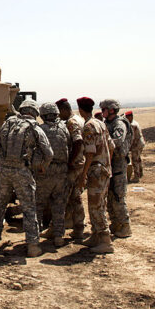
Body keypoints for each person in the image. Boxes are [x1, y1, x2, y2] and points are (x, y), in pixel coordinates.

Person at [0, 99, 53, 257]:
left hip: (3, 171)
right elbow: (49, 153)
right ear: (34, 113)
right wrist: (42, 166)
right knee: (29, 209)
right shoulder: (34, 127)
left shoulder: (7, 124)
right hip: (22, 172)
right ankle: (32, 246)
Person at [75, 97, 114, 253]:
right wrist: (106, 164)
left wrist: (83, 174)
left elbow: (89, 153)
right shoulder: (101, 124)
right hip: (104, 169)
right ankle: (96, 236)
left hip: (96, 171)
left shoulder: (89, 126)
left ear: (80, 109)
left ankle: (105, 240)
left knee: (95, 206)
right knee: (99, 204)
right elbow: (111, 146)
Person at [35, 102, 71, 248]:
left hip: (45, 171)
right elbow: (70, 146)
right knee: (59, 206)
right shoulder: (64, 129)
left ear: (42, 115)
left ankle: (34, 238)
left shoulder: (40, 130)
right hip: (62, 172)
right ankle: (59, 237)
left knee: (38, 205)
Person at [100, 99, 133, 238]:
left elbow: (117, 141)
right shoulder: (108, 123)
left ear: (111, 110)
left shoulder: (119, 124)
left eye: (104, 110)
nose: (102, 112)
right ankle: (115, 223)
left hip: (118, 164)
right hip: (110, 163)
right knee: (111, 196)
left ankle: (125, 226)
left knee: (119, 197)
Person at [55, 98, 86, 239]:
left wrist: (71, 160)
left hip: (74, 165)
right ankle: (78, 227)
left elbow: (78, 141)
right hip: (80, 164)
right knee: (76, 197)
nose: (58, 116)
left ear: (64, 109)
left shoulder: (72, 122)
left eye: (59, 112)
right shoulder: (79, 119)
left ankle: (57, 230)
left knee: (61, 197)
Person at [125, 111, 146, 182]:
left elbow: (132, 138)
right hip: (140, 143)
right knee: (138, 158)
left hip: (136, 144)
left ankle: (136, 177)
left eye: (127, 117)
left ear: (130, 116)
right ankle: (140, 173)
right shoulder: (135, 122)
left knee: (135, 160)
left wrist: (128, 147)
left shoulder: (132, 125)